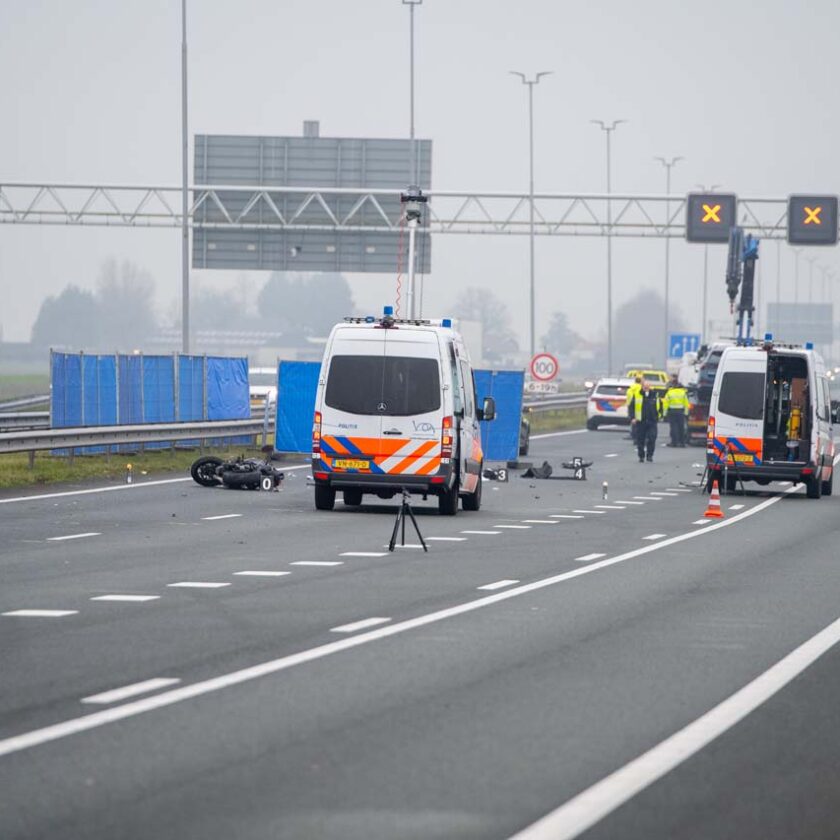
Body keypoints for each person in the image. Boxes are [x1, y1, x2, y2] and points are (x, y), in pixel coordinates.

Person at [629, 380, 662, 462]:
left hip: (652, 421)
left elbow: (660, 407)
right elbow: (631, 407)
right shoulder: (637, 394)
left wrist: (659, 416)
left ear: (650, 386)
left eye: (648, 386)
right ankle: (641, 456)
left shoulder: (655, 395)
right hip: (641, 421)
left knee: (652, 438)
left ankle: (650, 455)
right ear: (642, 386)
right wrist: (632, 418)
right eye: (645, 386)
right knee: (640, 439)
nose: (646, 387)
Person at [662, 376, 689, 447]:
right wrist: (686, 413)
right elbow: (686, 404)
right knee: (681, 427)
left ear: (672, 385)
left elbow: (665, 404)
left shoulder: (669, 393)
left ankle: (674, 442)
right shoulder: (683, 393)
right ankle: (682, 443)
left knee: (673, 427)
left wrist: (664, 414)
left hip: (672, 411)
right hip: (681, 412)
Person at [625, 375, 643, 443]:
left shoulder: (630, 388)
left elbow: (628, 397)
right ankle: (637, 436)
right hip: (639, 406)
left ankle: (633, 434)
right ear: (640, 381)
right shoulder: (641, 388)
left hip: (631, 405)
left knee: (633, 420)